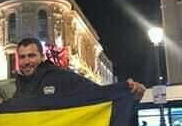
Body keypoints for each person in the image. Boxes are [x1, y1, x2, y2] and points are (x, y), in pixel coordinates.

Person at [12, 38, 146, 100]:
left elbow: (97, 94)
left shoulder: (62, 77)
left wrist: (127, 92)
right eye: (22, 57)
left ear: (42, 57)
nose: (26, 61)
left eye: (31, 56)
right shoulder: (19, 87)